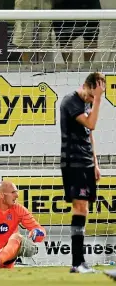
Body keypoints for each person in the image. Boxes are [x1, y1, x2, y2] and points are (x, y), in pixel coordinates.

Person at [59, 72, 105, 273]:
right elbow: (91, 123)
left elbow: (90, 134)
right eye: (90, 95)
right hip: (73, 161)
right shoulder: (70, 101)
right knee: (79, 206)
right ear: (84, 86)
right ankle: (77, 262)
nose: (91, 100)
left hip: (86, 162)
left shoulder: (86, 103)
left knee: (83, 208)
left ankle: (80, 262)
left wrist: (95, 163)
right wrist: (99, 99)